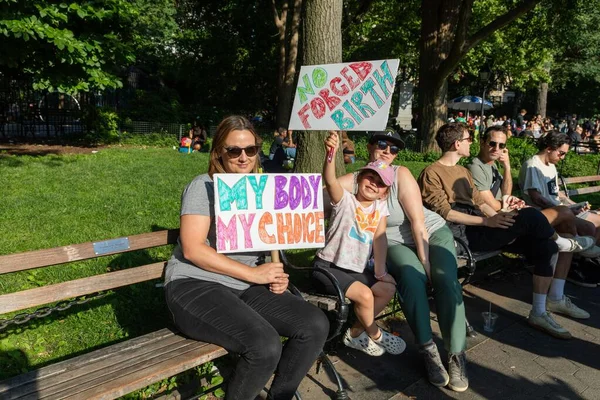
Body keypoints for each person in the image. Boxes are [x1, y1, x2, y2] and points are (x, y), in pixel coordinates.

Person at [164, 115, 329, 400]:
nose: (243, 157)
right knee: (264, 345)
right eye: (234, 150)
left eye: (250, 150)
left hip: (245, 286)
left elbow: (268, 245)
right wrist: (254, 275)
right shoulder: (203, 186)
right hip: (195, 284)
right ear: (218, 152)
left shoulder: (262, 189)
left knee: (315, 324)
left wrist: (275, 275)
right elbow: (192, 248)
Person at [419, 123, 590, 340]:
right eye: (469, 138)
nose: (471, 141)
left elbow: (480, 202)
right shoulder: (431, 173)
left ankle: (539, 312)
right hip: (464, 235)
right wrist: (486, 222)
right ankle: (563, 243)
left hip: (482, 226)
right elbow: (446, 214)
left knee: (543, 244)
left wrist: (497, 217)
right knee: (530, 216)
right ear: (457, 143)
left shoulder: (462, 171)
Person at [336, 130, 469, 392]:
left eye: (394, 148)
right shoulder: (358, 179)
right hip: (392, 240)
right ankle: (428, 350)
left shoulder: (400, 174)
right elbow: (319, 192)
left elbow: (419, 224)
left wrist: (428, 263)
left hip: (430, 232)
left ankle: (456, 353)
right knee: (410, 277)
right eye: (382, 144)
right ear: (370, 147)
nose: (387, 151)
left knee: (444, 278)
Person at [468, 126, 598, 289]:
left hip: (506, 218)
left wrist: (507, 167)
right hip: (495, 225)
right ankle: (569, 246)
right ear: (482, 142)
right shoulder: (476, 166)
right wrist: (510, 204)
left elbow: (505, 195)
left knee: (552, 242)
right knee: (562, 215)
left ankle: (555, 297)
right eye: (492, 143)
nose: (497, 149)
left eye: (502, 145)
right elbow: (491, 205)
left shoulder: (492, 166)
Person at [313, 132, 405, 358]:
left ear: (385, 192)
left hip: (355, 270)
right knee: (364, 295)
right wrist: (330, 155)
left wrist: (381, 272)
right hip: (327, 267)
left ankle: (354, 333)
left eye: (381, 183)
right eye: (370, 178)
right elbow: (331, 181)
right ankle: (376, 334)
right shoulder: (345, 200)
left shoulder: (380, 209)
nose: (374, 184)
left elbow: (380, 238)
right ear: (359, 178)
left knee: (387, 288)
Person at [520, 131, 600, 285]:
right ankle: (577, 261)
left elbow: (556, 193)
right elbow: (536, 198)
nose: (562, 157)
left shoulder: (550, 165)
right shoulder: (532, 165)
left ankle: (582, 261)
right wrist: (565, 210)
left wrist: (573, 205)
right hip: (548, 214)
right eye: (561, 153)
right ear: (549, 148)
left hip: (562, 210)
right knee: (590, 227)